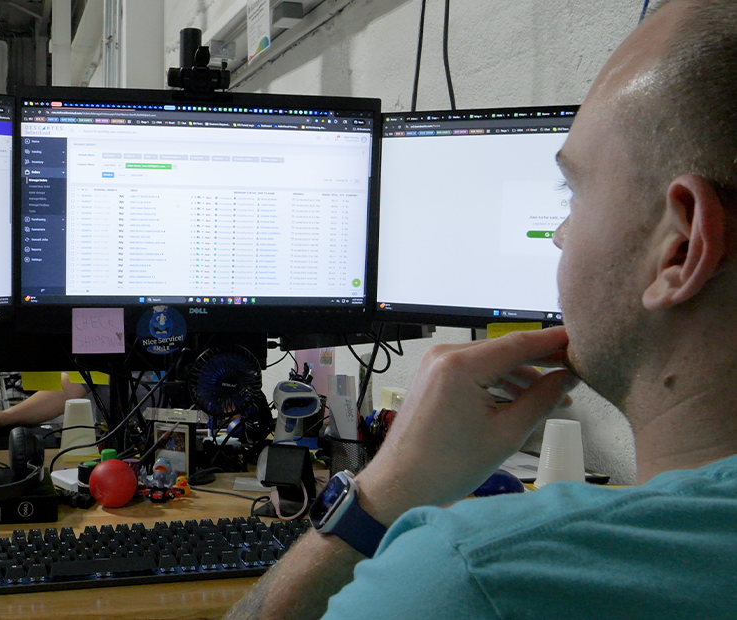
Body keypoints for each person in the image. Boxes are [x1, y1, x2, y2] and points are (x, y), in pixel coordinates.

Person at [225, 1, 737, 618]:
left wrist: (382, 496)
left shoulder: (468, 575)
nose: (559, 235)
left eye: (571, 193)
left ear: (679, 249)